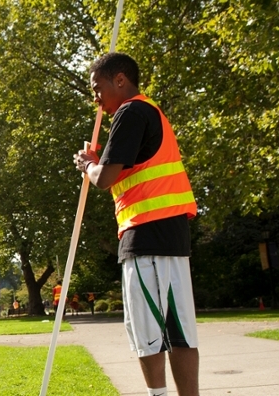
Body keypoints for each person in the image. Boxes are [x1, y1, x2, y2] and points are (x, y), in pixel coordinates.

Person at [74, 52, 199, 396]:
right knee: (179, 329)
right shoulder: (150, 111)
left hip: (147, 235)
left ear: (119, 80)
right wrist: (99, 163)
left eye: (96, 87)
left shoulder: (130, 112)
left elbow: (103, 178)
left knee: (149, 331)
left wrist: (86, 164)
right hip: (166, 234)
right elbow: (122, 170)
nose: (95, 97)